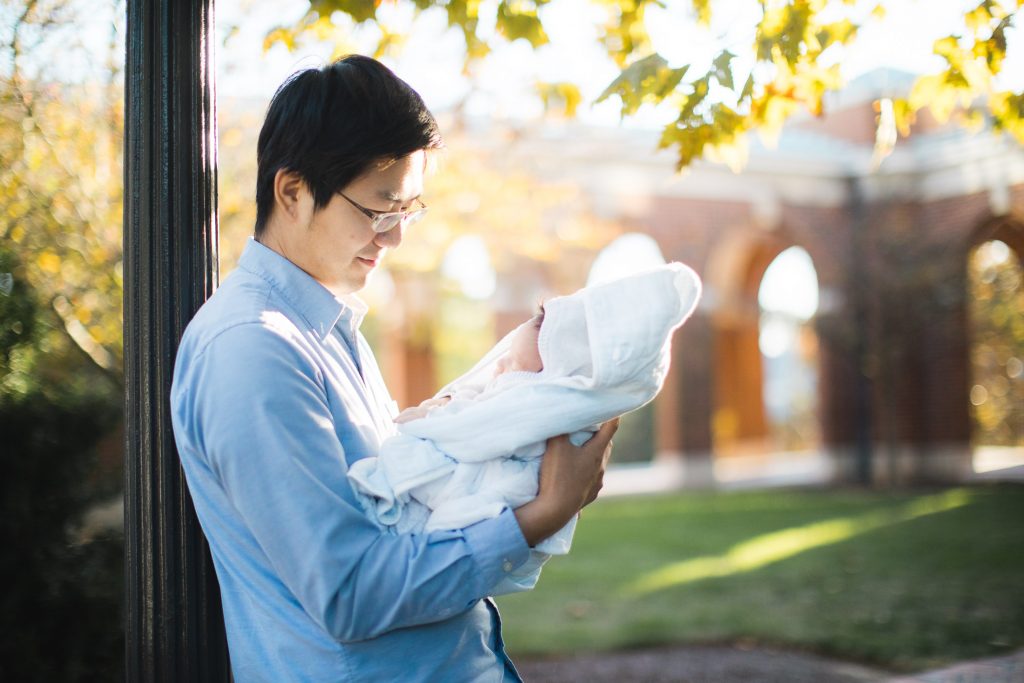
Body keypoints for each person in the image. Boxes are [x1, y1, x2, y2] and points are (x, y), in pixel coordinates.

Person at [169, 55, 617, 683]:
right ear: (293, 191)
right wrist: (543, 511)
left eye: (408, 210)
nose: (395, 236)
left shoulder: (327, 330)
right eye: (380, 209)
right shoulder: (253, 350)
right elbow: (351, 591)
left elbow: (391, 515)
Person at [349, 262, 702, 596]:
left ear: (561, 362)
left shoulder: (540, 405)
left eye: (539, 324)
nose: (523, 326)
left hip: (467, 506)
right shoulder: (523, 390)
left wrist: (431, 420)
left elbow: (469, 435)